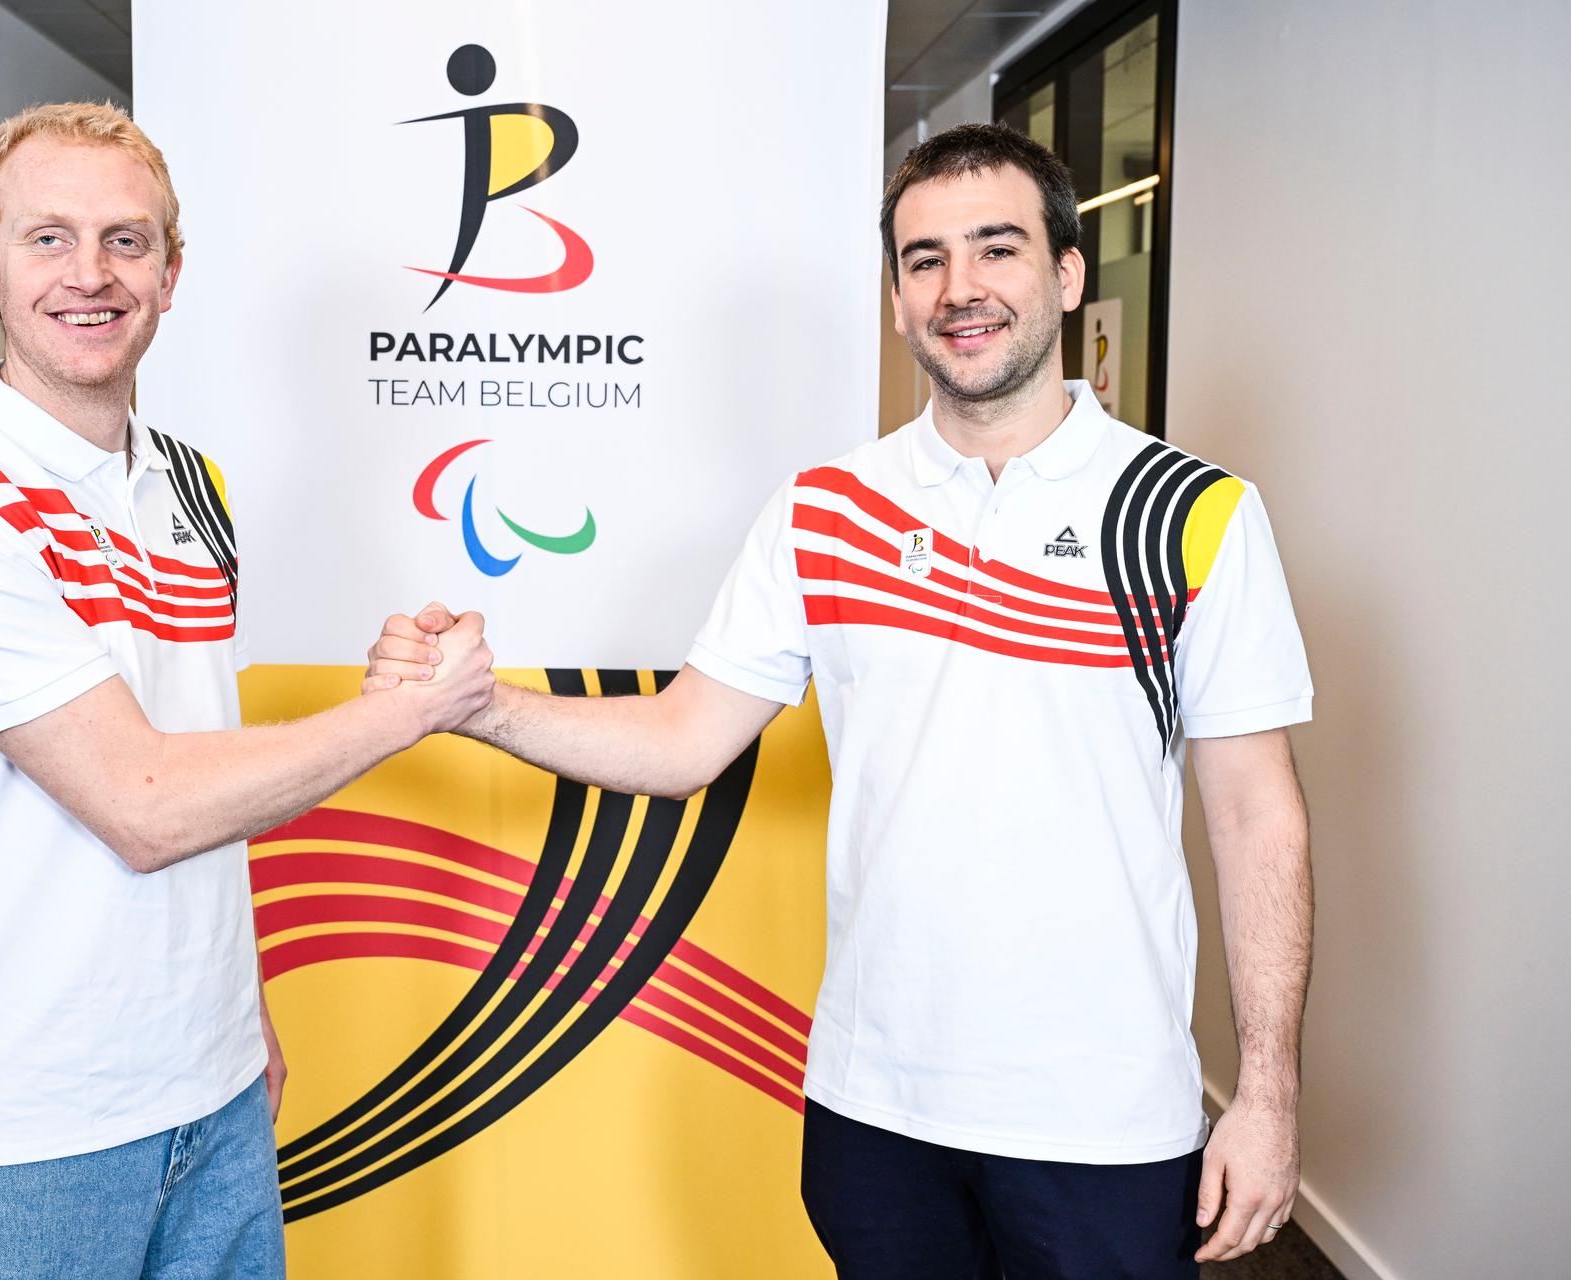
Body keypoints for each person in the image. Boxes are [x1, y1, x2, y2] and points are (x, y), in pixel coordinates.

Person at [368, 123, 1313, 1277]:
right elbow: (682, 739)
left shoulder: (1195, 510)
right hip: (878, 1107)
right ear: (900, 302)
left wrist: (1265, 1093)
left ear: (1067, 273)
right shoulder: (827, 510)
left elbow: (1258, 816)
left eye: (997, 248)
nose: (960, 288)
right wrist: (481, 706)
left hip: (1103, 1117)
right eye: (924, 261)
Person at [0, 102, 493, 1278]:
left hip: (214, 1089)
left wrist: (238, 1008)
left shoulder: (190, 485)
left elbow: (198, 750)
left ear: (171, 271)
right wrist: (402, 708)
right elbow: (145, 803)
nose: (90, 274)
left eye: (126, 240)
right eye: (48, 239)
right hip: (27, 1130)